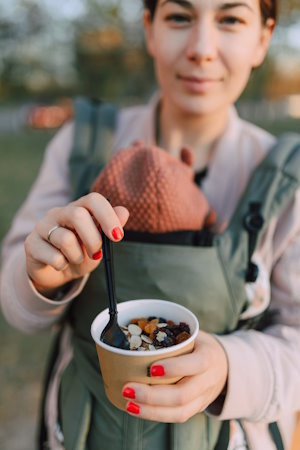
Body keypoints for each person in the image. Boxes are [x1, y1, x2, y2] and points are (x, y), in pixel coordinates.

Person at [1, 0, 300, 449]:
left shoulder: (287, 182)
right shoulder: (82, 145)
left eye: (231, 19)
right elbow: (16, 306)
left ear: (262, 37)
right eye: (179, 17)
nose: (201, 48)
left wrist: (229, 367)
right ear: (149, 30)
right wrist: (42, 280)